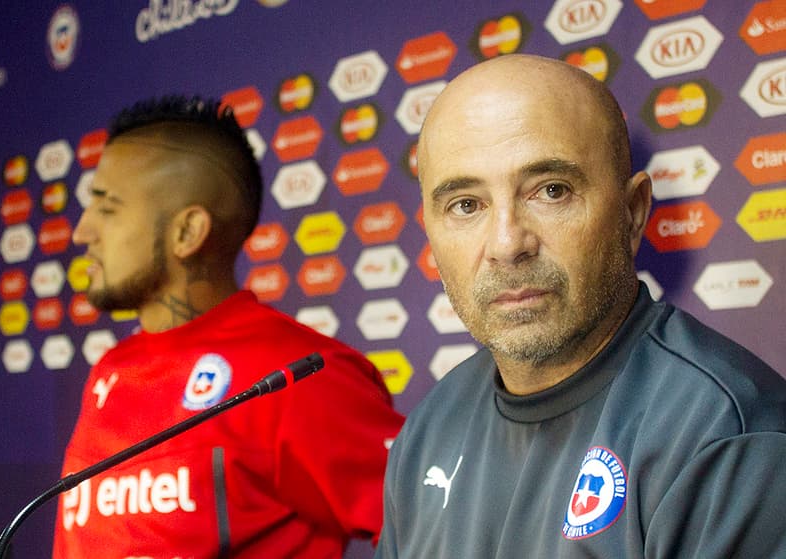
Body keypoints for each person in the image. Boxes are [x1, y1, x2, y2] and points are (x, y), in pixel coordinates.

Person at [375, 54, 786, 558]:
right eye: (466, 204)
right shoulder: (427, 429)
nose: (507, 243)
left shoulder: (728, 437)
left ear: (632, 213)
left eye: (551, 191)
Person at [52, 96, 404, 558]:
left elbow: (444, 526)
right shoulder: (109, 371)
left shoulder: (296, 375)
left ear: (187, 232)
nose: (82, 232)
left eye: (107, 208)